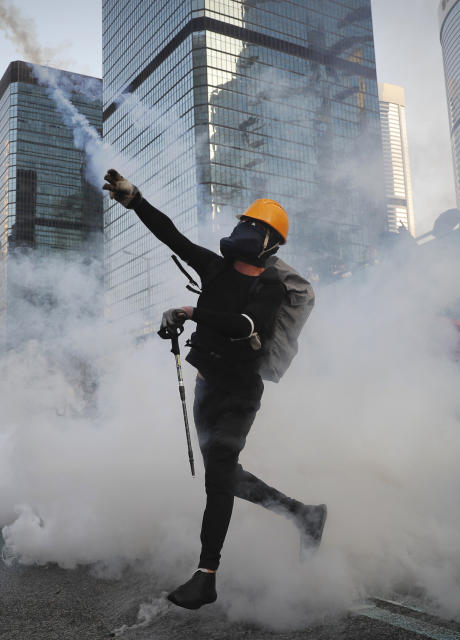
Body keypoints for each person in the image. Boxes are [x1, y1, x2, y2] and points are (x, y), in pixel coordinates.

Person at [103, 169, 327, 610]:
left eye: (259, 228)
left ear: (272, 244)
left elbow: (246, 326)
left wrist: (188, 310)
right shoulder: (215, 267)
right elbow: (173, 236)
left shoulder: (270, 286)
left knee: (219, 475)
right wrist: (135, 200)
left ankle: (206, 575)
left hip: (240, 394)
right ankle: (304, 515)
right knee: (224, 476)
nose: (249, 230)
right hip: (207, 385)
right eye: (248, 222)